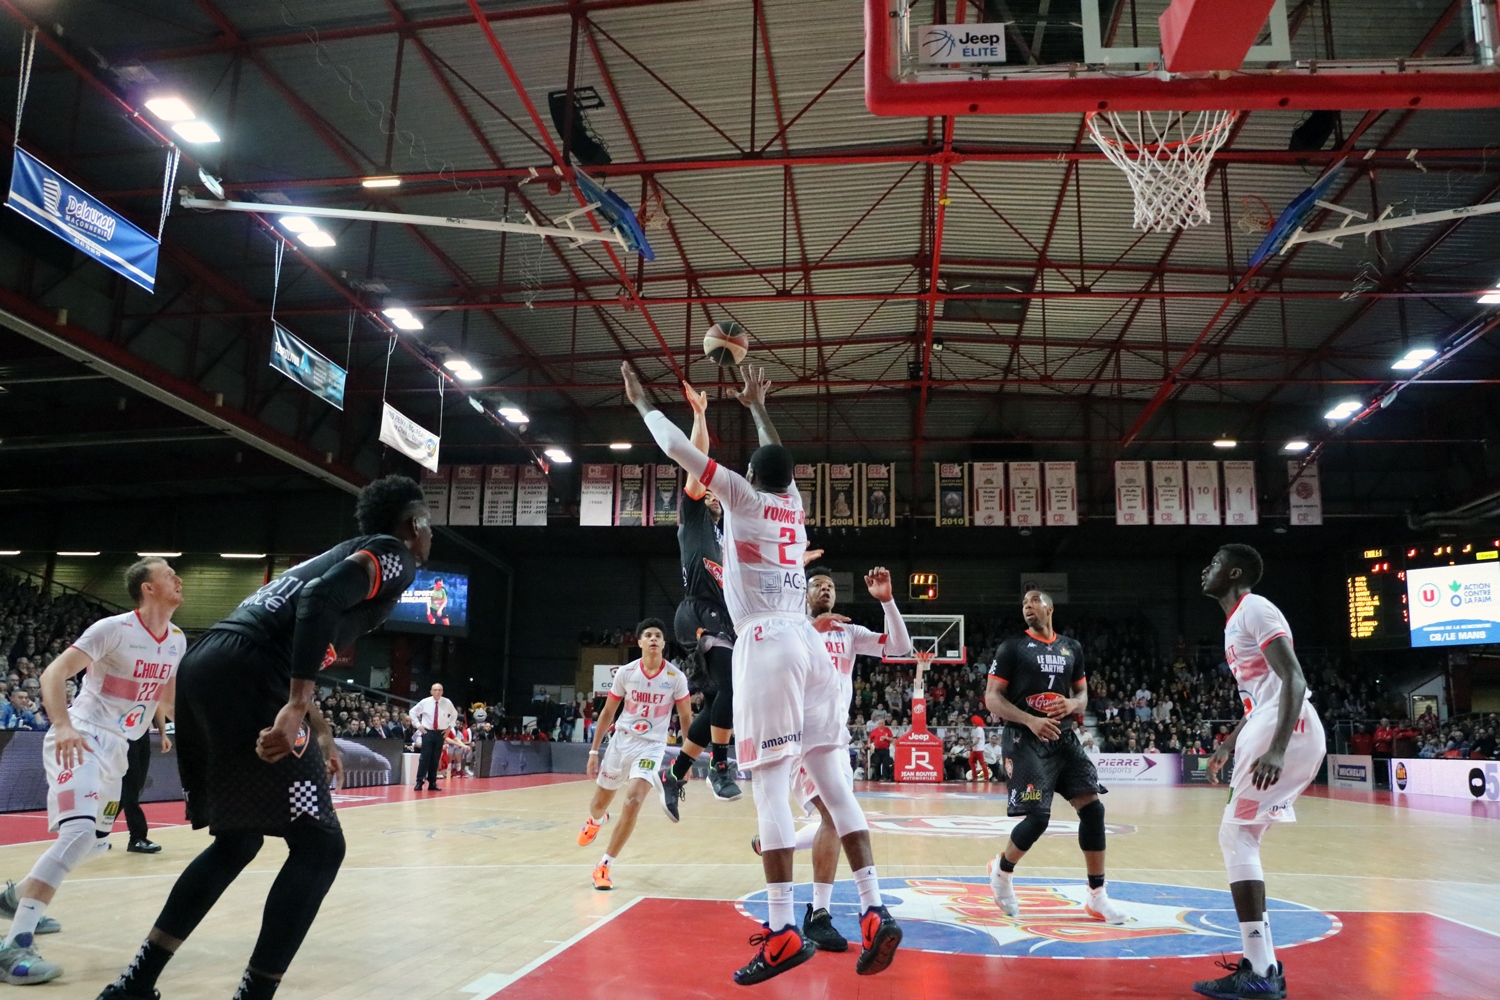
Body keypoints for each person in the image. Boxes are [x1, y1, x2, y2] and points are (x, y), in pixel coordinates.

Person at [96, 475, 429, 1000]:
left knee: (238, 839)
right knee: (320, 848)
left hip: (208, 664)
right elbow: (318, 600)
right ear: (415, 524)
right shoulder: (394, 553)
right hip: (251, 673)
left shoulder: (343, 550)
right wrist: (295, 703)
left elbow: (298, 628)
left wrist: (315, 725)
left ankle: (134, 984)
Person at [624, 361, 901, 984]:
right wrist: (755, 406)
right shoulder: (793, 504)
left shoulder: (745, 495)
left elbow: (675, 448)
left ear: (747, 477)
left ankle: (781, 933)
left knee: (772, 792)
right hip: (809, 649)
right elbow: (780, 459)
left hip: (767, 643)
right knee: (836, 789)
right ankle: (874, 911)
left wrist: (642, 402)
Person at [0, 559, 185, 985]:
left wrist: (166, 721)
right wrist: (62, 725)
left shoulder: (176, 639)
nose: (178, 579)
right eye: (169, 573)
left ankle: (17, 895)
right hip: (82, 736)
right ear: (148, 588)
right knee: (79, 834)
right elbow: (53, 673)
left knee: (94, 845)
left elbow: (165, 694)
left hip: (119, 748)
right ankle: (15, 946)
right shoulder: (113, 629)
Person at [747, 565, 912, 951]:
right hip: (799, 736)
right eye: (817, 584)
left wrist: (887, 600)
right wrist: (808, 633)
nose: (825, 589)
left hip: (834, 738)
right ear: (803, 593)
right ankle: (821, 913)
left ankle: (777, 852)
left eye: (831, 586)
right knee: (834, 816)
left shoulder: (848, 632)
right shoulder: (790, 627)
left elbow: (900, 647)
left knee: (838, 819)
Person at [1192, 545, 1326, 1000]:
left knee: (1237, 838)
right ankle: (1262, 964)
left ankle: (1260, 970)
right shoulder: (1236, 621)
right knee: (1243, 837)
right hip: (1269, 726)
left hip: (1285, 729)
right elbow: (1262, 694)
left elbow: (1295, 678)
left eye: (1212, 564)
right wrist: (1229, 744)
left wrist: (1276, 748)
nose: (1204, 570)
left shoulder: (1256, 608)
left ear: (1233, 573)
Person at [984, 590, 1126, 925]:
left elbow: (1083, 694)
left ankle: (1097, 897)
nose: (1026, 606)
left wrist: (1074, 705)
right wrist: (1030, 719)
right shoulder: (1012, 648)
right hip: (1024, 738)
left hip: (1063, 737)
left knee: (1093, 809)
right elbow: (992, 698)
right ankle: (1001, 872)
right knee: (1038, 818)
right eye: (1022, 603)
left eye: (1033, 601)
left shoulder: (1071, 648)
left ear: (1049, 607)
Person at [660, 383, 742, 806]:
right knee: (733, 686)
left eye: (715, 494)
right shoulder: (693, 520)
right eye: (705, 490)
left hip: (723, 620)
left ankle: (674, 776)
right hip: (697, 612)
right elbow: (697, 462)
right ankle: (720, 767)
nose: (710, 493)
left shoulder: (726, 542)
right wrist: (700, 415)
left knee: (716, 708)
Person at [576, 619, 691, 890]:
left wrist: (687, 758)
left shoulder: (676, 677)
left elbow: (686, 717)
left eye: (658, 636)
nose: (653, 639)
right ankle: (596, 820)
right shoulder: (626, 673)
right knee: (598, 803)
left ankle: (604, 865)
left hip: (651, 747)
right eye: (648, 635)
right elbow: (607, 713)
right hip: (621, 742)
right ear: (639, 642)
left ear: (663, 643)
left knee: (633, 801)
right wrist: (594, 751)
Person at [118, 710, 173, 855]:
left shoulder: (153, 688)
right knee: (130, 788)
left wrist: (163, 734)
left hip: (143, 734)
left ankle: (97, 832)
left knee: (134, 787)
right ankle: (137, 838)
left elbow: (158, 705)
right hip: (122, 734)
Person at [411, 684, 458, 791]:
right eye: (435, 690)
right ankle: (419, 781)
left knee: (435, 758)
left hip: (440, 732)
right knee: (425, 758)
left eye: (439, 690)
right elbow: (412, 712)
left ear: (442, 692)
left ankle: (432, 782)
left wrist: (449, 727)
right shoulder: (425, 702)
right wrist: (418, 725)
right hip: (428, 732)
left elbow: (454, 715)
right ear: (431, 691)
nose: (437, 692)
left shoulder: (447, 702)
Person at [968, 715, 989, 782]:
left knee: (981, 763)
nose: (973, 723)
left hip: (979, 749)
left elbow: (977, 740)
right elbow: (974, 739)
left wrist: (971, 745)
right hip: (976, 749)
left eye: (973, 722)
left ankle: (985, 777)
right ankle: (976, 777)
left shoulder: (979, 729)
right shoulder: (975, 729)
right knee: (972, 761)